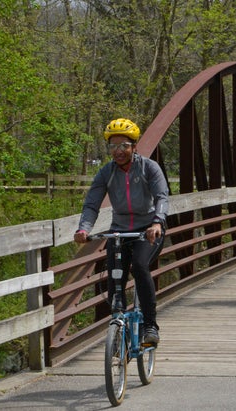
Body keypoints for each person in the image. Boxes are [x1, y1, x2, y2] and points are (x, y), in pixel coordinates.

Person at [74, 118, 168, 346]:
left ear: (134, 146)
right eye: (113, 146)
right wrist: (83, 229)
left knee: (139, 265)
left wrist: (157, 223)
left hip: (148, 230)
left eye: (124, 146)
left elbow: (161, 197)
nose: (118, 151)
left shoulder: (149, 167)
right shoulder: (107, 172)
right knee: (115, 274)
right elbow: (91, 204)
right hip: (120, 230)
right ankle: (118, 323)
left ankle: (150, 327)